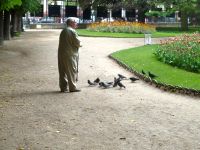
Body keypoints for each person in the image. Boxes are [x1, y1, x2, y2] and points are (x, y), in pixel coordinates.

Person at [58, 18, 81, 92]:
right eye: (75, 22)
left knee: (62, 71)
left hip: (61, 53)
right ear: (71, 23)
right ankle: (72, 87)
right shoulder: (72, 31)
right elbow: (78, 43)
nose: (76, 23)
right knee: (71, 71)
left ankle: (63, 87)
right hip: (70, 54)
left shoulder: (63, 30)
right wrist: (81, 44)